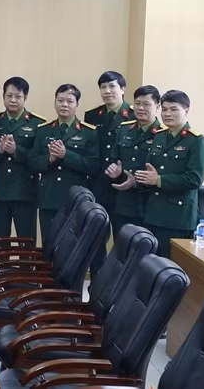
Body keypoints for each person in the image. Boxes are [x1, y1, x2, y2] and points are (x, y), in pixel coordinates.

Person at [114, 90, 204, 259]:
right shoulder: (160, 136)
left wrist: (159, 180)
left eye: (173, 109)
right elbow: (150, 172)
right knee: (148, 266)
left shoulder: (196, 141)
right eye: (164, 109)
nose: (167, 114)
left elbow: (195, 179)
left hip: (177, 218)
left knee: (169, 270)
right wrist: (135, 182)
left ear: (186, 111)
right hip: (152, 213)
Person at [29, 84, 98, 244]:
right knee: (49, 245)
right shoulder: (43, 130)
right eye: (60, 100)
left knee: (72, 247)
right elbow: (32, 162)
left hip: (75, 199)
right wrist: (50, 159)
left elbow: (93, 166)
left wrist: (66, 155)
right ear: (55, 103)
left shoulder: (88, 132)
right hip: (48, 197)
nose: (64, 105)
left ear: (77, 105)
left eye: (69, 101)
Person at [84, 71, 134, 276]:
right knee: (96, 240)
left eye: (112, 86)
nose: (107, 91)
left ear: (122, 89)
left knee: (124, 242)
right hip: (98, 186)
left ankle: (118, 288)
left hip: (125, 189)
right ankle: (97, 285)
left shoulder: (133, 115)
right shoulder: (93, 116)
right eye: (103, 87)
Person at [0, 77, 46, 240]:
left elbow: (38, 159)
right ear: (3, 96)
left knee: (26, 241)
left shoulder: (37, 124)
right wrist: (0, 150)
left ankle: (26, 267)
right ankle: (1, 267)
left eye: (17, 96)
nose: (12, 100)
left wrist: (15, 151)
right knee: (0, 241)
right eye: (9, 95)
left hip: (25, 190)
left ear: (25, 98)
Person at [105, 85, 163, 233]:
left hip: (148, 204)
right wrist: (116, 174)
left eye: (146, 104)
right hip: (124, 203)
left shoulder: (163, 134)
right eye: (137, 104)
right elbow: (114, 159)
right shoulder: (124, 129)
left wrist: (136, 182)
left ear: (157, 107)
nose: (141, 108)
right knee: (122, 250)